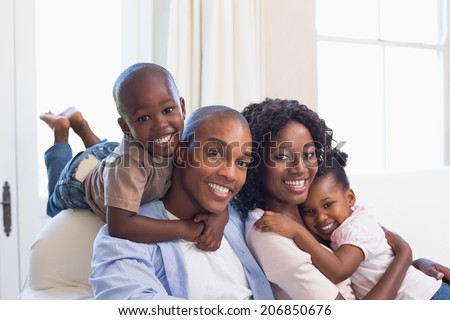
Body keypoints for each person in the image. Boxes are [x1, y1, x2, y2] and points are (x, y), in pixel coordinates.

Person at [233, 98, 444, 300]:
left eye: (309, 154)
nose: (299, 168)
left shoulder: (307, 207)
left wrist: (415, 264)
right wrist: (404, 254)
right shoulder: (269, 232)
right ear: (255, 162)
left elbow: (378, 250)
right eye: (282, 156)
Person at [89, 105, 274, 300]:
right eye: (214, 153)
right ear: (181, 153)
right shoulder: (122, 238)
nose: (230, 174)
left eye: (242, 163)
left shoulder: (238, 216)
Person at [40, 63, 226, 250]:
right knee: (52, 207)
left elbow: (217, 181)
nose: (161, 124)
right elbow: (120, 225)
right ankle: (61, 130)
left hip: (111, 154)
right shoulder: (128, 166)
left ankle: (81, 125)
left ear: (182, 107)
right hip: (80, 177)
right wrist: (186, 229)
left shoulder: (182, 141)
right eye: (144, 118)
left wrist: (220, 216)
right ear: (125, 127)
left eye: (168, 110)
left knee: (110, 156)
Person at [259, 148, 450, 299]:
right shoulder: (344, 227)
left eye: (328, 204)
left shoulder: (355, 228)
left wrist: (298, 232)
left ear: (350, 197)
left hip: (428, 297)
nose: (321, 217)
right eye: (309, 211)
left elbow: (338, 271)